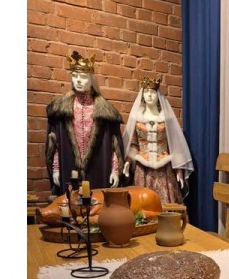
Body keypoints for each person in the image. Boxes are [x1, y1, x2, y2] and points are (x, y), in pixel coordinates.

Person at [45, 51, 125, 196]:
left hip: (98, 169)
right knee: (71, 203)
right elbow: (55, 142)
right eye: (75, 76)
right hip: (69, 168)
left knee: (96, 204)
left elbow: (114, 145)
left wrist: (115, 170)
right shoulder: (61, 110)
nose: (78, 80)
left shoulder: (106, 113)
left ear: (91, 79)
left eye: (83, 76)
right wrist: (56, 168)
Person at [121, 76, 193, 204]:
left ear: (158, 95)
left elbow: (174, 145)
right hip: (143, 169)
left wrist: (179, 170)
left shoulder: (167, 119)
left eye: (153, 92)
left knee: (166, 202)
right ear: (142, 95)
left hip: (164, 169)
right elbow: (134, 144)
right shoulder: (137, 119)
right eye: (146, 92)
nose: (149, 95)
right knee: (143, 203)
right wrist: (128, 162)